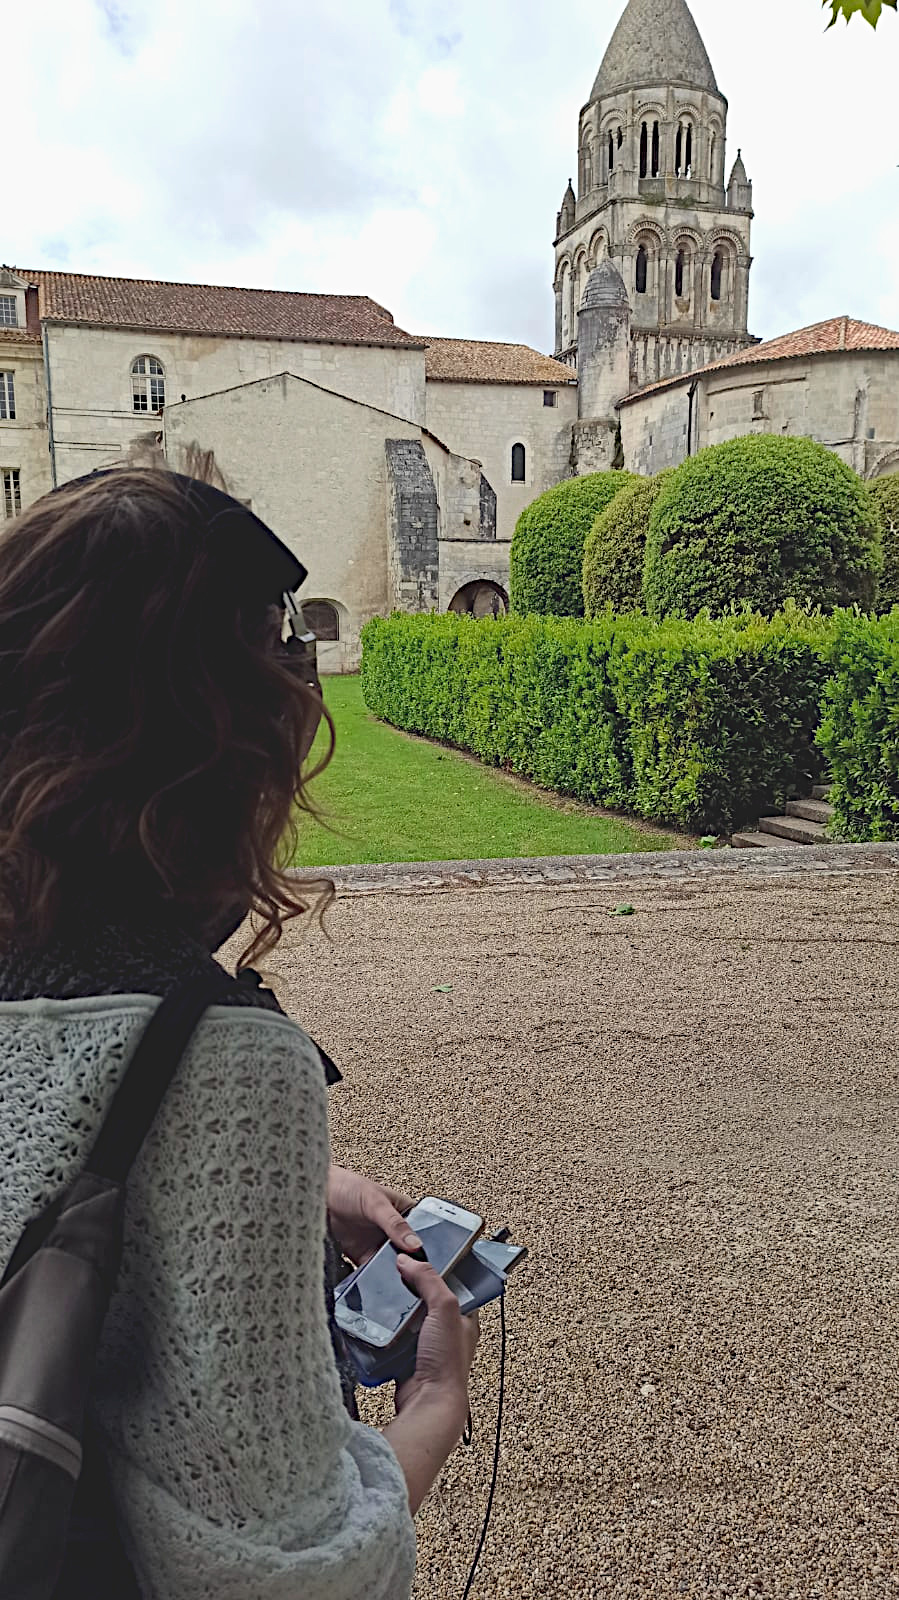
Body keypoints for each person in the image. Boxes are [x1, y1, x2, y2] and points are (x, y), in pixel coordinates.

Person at [0, 465, 479, 1599]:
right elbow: (272, 1570)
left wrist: (295, 1180)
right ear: (230, 751)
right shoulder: (223, 1061)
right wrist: (431, 1410)